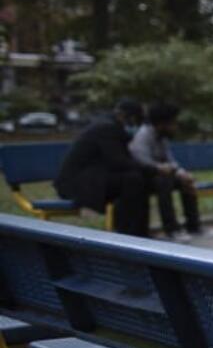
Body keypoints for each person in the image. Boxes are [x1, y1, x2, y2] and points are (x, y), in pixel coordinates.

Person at [54, 99, 154, 236]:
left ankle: (137, 232)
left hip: (95, 179)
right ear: (123, 116)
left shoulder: (112, 127)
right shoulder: (106, 128)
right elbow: (118, 162)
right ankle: (129, 233)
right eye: (135, 120)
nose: (136, 125)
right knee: (133, 180)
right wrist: (152, 169)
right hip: (77, 184)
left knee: (136, 179)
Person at [129, 103, 204, 241]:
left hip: (162, 176)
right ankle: (171, 230)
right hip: (143, 178)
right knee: (164, 183)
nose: (175, 127)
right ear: (162, 123)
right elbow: (142, 161)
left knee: (185, 182)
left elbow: (170, 160)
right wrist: (160, 168)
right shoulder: (143, 136)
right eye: (173, 123)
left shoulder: (162, 137)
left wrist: (182, 173)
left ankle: (194, 226)